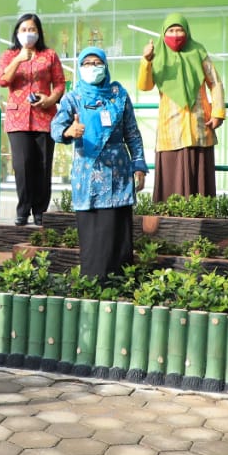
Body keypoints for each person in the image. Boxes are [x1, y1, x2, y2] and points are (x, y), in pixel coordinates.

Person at [51, 47, 148, 282]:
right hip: (88, 174)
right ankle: (94, 285)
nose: (93, 67)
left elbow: (132, 134)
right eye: (87, 63)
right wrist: (68, 131)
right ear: (79, 67)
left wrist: (139, 166)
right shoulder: (73, 98)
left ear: (105, 65)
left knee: (118, 232)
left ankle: (121, 285)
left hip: (119, 174)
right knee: (95, 235)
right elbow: (55, 128)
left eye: (97, 62)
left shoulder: (119, 95)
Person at [138, 12, 225, 200]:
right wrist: (146, 61)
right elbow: (145, 86)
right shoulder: (157, 54)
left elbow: (215, 82)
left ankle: (203, 226)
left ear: (187, 32)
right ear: (164, 32)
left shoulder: (198, 51)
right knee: (171, 186)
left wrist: (218, 112)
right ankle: (169, 227)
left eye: (180, 30)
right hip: (171, 130)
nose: (176, 35)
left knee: (200, 184)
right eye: (171, 30)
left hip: (199, 127)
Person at [0, 13, 66, 226]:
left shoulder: (50, 55)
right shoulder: (9, 55)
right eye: (24, 30)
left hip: (45, 117)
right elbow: (2, 80)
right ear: (17, 33)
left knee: (43, 165)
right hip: (17, 119)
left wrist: (51, 98)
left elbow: (60, 83)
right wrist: (18, 59)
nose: (28, 33)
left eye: (32, 29)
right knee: (22, 164)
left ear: (39, 32)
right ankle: (23, 209)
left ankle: (40, 211)